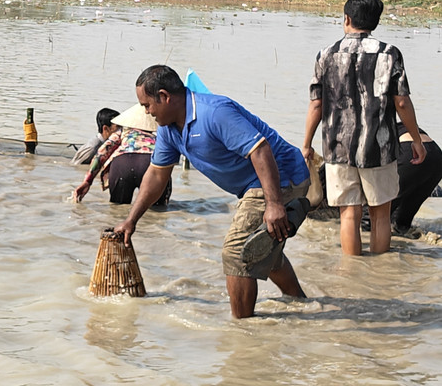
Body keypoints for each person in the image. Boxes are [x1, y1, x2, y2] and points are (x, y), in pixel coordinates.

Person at [116, 65, 311, 318]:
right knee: (263, 252)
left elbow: (260, 150)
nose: (147, 112)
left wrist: (274, 204)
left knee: (236, 252)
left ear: (164, 97)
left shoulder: (214, 112)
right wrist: (131, 220)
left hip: (281, 176)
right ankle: (301, 304)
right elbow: (156, 175)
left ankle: (242, 331)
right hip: (255, 183)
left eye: (147, 105)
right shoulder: (168, 130)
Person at [303, 0, 426, 256]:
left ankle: (352, 274)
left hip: (338, 147)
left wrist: (306, 144)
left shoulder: (326, 55)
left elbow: (316, 104)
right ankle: (379, 272)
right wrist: (416, 140)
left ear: (346, 19)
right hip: (379, 147)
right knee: (381, 214)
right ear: (375, 22)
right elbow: (402, 102)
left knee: (349, 214)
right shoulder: (390, 54)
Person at [73, 104, 171, 206]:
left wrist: (88, 181)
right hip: (149, 163)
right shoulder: (157, 136)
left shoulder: (122, 132)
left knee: (117, 210)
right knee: (158, 211)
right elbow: (167, 160)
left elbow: (101, 153)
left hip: (122, 165)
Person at [386, 122, 442, 238]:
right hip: (436, 156)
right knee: (400, 224)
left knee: (372, 217)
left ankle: (379, 254)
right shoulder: (392, 122)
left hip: (411, 153)